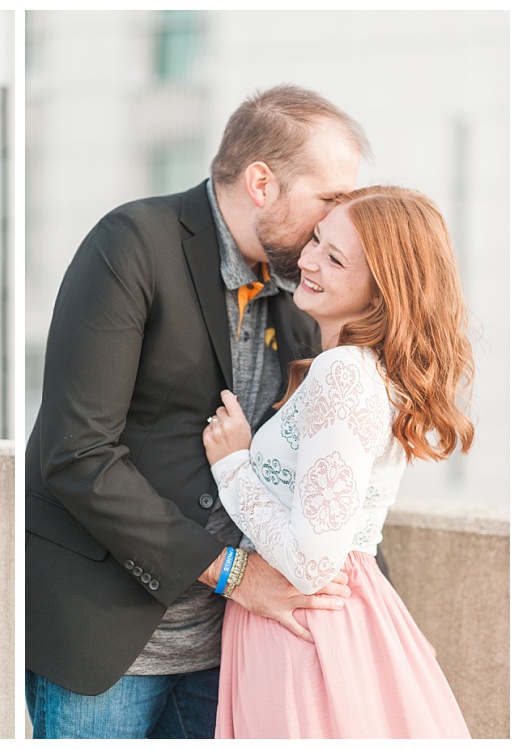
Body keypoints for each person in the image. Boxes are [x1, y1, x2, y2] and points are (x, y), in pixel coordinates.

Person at [25, 85, 373, 739]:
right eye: (329, 199)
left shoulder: (299, 289)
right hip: (109, 647)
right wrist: (234, 573)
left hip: (234, 651)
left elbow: (332, 471)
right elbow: (77, 452)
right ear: (262, 183)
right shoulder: (129, 243)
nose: (339, 223)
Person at [204, 185, 472, 738]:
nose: (307, 261)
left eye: (335, 258)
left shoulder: (346, 374)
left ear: (381, 292)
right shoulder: (366, 371)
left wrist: (233, 467)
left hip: (306, 629)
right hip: (314, 620)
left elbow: (311, 564)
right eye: (317, 240)